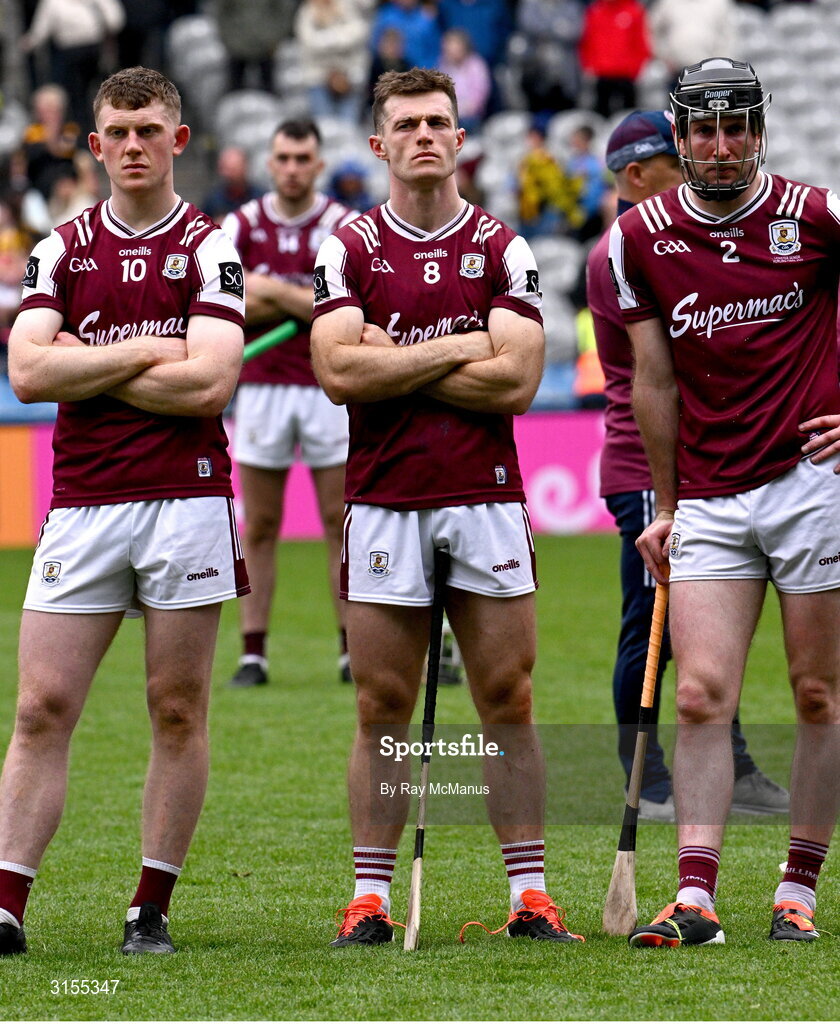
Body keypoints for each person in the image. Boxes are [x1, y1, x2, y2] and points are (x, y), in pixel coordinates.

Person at [310, 67, 583, 946]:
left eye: (439, 121)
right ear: (378, 144)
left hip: (486, 499)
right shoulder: (347, 247)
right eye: (406, 123)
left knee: (507, 697)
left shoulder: (505, 247)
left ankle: (530, 896)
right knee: (380, 706)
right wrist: (466, 346)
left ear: (462, 139)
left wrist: (406, 355)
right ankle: (370, 899)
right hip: (386, 501)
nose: (425, 134)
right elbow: (338, 373)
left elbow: (519, 379)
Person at [0, 67, 248, 957]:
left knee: (176, 708)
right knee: (40, 706)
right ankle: (5, 904)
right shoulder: (62, 247)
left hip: (186, 499)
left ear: (178, 140)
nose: (133, 145)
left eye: (149, 130)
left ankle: (150, 906)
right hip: (82, 503)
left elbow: (213, 382)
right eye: (118, 131)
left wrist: (89, 357)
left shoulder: (211, 246)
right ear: (95, 143)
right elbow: (28, 374)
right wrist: (154, 348)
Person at [608, 58, 840, 947]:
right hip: (708, 496)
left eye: (736, 125)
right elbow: (654, 383)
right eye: (703, 129)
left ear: (759, 128)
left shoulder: (814, 216)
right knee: (701, 696)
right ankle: (696, 896)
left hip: (810, 485)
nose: (720, 144)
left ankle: (799, 889)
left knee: (818, 694)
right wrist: (662, 505)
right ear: (677, 135)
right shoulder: (640, 237)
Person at [589, 108, 789, 822]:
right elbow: (662, 371)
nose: (699, 175)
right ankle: (642, 778)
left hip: (695, 460)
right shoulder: (626, 247)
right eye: (679, 166)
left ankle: (730, 768)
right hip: (649, 463)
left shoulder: (673, 238)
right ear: (640, 175)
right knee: (652, 625)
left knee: (703, 629)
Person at [222, 120, 358, 688]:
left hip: (327, 386)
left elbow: (344, 309)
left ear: (319, 164)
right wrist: (300, 299)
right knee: (260, 524)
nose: (294, 167)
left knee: (338, 522)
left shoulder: (343, 227)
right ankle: (254, 653)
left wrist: (272, 290)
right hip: (260, 386)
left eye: (304, 157)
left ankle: (351, 649)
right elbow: (227, 308)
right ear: (270, 163)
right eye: (284, 157)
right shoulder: (243, 224)